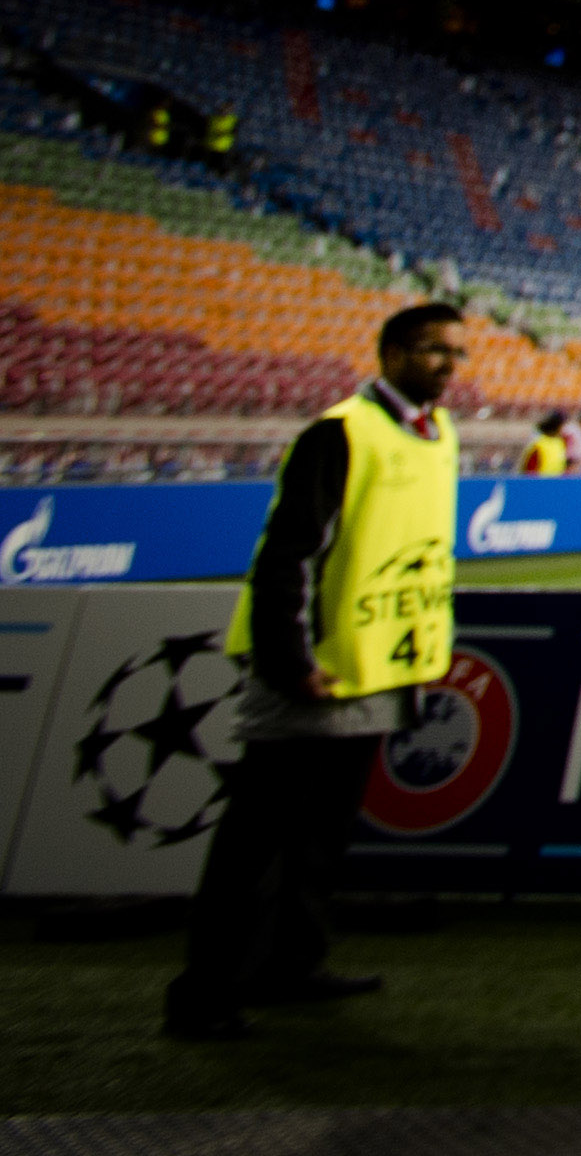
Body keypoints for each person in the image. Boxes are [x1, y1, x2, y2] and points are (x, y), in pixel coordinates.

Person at [169, 301, 468, 1041]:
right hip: (314, 676)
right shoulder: (340, 432)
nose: (450, 366)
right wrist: (288, 659)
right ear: (394, 353)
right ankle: (204, 993)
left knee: (320, 837)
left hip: (378, 673)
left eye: (458, 354)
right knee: (256, 842)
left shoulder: (438, 434)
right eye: (436, 351)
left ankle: (290, 964)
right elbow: (288, 554)